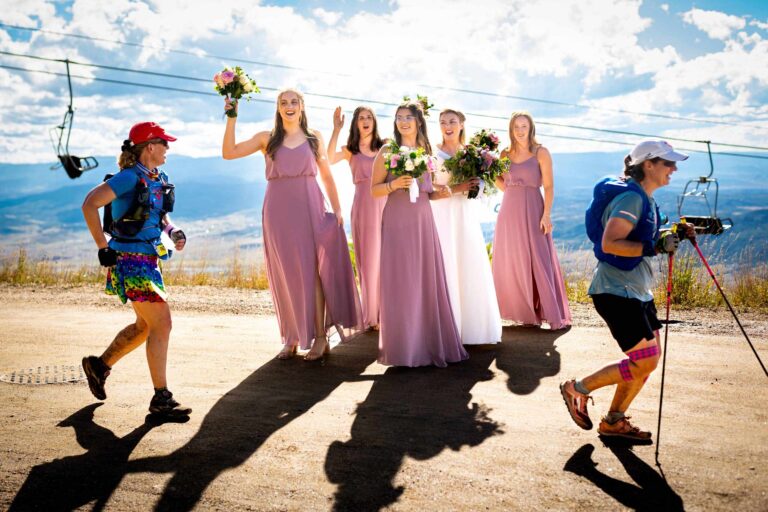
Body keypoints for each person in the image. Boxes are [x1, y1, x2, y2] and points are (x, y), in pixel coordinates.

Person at [560, 140, 695, 441]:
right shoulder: (632, 200)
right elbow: (610, 243)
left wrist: (671, 235)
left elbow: (643, 238)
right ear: (649, 165)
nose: (674, 168)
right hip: (616, 291)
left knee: (647, 361)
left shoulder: (644, 198)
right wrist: (655, 246)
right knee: (644, 360)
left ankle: (613, 422)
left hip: (636, 291)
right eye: (667, 163)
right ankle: (576, 389)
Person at [222, 88, 362, 361]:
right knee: (285, 273)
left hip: (311, 207)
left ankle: (321, 338)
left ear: (302, 106)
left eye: (293, 102)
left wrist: (337, 208)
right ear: (277, 108)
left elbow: (328, 177)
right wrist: (231, 117)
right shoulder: (267, 139)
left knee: (312, 271)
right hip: (277, 212)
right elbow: (229, 153)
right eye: (283, 102)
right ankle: (292, 337)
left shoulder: (314, 138)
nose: (289, 106)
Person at [81, 121, 191, 417]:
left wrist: (174, 231)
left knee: (146, 326)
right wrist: (102, 247)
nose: (169, 148)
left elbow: (161, 215)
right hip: (129, 261)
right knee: (162, 323)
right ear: (150, 147)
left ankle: (99, 366)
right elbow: (90, 204)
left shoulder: (158, 176)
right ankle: (161, 399)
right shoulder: (128, 178)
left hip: (149, 261)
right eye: (164, 143)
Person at [370, 100, 467, 367]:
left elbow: (429, 190)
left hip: (423, 220)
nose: (403, 121)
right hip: (397, 221)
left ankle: (426, 343)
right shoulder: (388, 150)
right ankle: (404, 349)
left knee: (424, 279)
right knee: (401, 280)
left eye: (408, 117)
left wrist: (443, 192)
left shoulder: (426, 151)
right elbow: (374, 189)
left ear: (418, 122)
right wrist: (392, 184)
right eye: (399, 117)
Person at [492, 111, 571, 329]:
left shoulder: (541, 152)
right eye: (516, 126)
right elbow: (503, 185)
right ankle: (524, 312)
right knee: (513, 259)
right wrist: (489, 173)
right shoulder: (504, 154)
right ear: (511, 129)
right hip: (509, 210)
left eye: (523, 126)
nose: (519, 130)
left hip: (534, 207)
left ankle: (549, 312)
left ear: (531, 128)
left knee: (538, 257)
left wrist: (546, 214)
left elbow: (549, 187)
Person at [431, 108, 501, 345]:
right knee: (446, 264)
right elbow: (429, 191)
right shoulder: (432, 152)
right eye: (442, 122)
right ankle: (448, 327)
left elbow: (483, 185)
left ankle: (472, 328)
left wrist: (476, 185)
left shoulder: (472, 153)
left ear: (461, 124)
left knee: (468, 262)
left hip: (465, 214)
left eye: (452, 121)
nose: (447, 125)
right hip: (441, 214)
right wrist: (458, 187)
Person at [327, 106, 386, 330]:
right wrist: (336, 130)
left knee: (387, 259)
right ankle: (371, 316)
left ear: (374, 121)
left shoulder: (385, 147)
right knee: (369, 261)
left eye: (369, 117)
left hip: (386, 204)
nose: (365, 121)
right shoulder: (350, 149)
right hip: (363, 205)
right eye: (361, 118)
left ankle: (387, 312)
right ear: (355, 123)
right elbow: (330, 158)